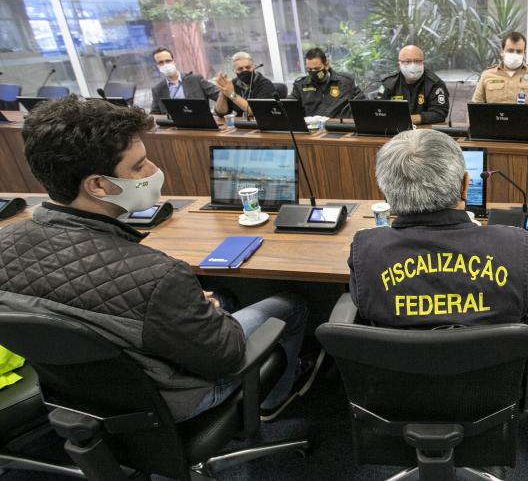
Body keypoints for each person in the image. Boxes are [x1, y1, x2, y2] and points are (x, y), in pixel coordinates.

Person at [0, 96, 309, 422]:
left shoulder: (4, 243)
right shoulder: (158, 276)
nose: (154, 171)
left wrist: (187, 307)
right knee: (290, 305)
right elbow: (228, 356)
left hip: (82, 399)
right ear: (98, 185)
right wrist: (208, 314)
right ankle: (273, 405)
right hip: (174, 400)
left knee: (224, 295)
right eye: (138, 166)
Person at [348, 129, 528, 327]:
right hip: (489, 361)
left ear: (386, 192)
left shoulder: (365, 251)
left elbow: (365, 306)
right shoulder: (517, 247)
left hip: (394, 362)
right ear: (465, 185)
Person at [471, 32, 528, 126]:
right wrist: (476, 127)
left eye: (519, 51)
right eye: (510, 50)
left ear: (524, 52)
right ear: (502, 51)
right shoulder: (487, 75)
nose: (514, 54)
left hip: (526, 133)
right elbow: (474, 106)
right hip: (493, 132)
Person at [378, 45, 449, 125]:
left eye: (417, 61)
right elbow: (378, 109)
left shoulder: (435, 84)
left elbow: (440, 113)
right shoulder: (388, 84)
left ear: (423, 62)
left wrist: (408, 119)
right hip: (393, 130)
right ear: (399, 64)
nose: (413, 65)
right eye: (407, 61)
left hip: (425, 131)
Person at [291, 47, 364, 118]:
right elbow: (290, 109)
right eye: (309, 69)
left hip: (339, 128)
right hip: (313, 128)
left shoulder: (346, 82)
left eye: (317, 68)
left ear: (326, 65)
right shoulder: (301, 85)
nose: (313, 72)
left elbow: (362, 105)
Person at [149, 46, 220, 115]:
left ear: (174, 61)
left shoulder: (196, 80)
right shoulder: (157, 90)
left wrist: (216, 114)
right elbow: (154, 114)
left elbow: (219, 95)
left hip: (201, 124)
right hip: (173, 126)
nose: (165, 64)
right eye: (160, 62)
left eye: (168, 61)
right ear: (157, 65)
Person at [213, 51, 276, 119]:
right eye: (240, 69)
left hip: (259, 125)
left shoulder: (265, 84)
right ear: (234, 71)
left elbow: (257, 112)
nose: (244, 70)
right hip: (237, 125)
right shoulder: (232, 84)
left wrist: (232, 94)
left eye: (248, 67)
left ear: (254, 67)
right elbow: (221, 113)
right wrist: (223, 92)